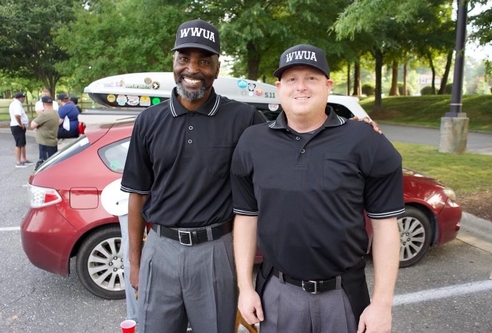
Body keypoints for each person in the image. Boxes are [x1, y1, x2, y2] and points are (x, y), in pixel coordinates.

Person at [231, 44, 405, 333]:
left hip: (343, 295)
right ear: (278, 87)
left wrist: (382, 305)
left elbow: (386, 226)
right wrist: (245, 288)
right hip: (277, 292)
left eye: (311, 78)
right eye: (291, 79)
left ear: (327, 86)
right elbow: (246, 218)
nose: (301, 87)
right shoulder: (252, 142)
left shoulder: (364, 141)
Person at [120, 19, 264, 333]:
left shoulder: (244, 119)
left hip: (216, 251)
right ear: (173, 62)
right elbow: (137, 194)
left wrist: (347, 128)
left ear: (217, 66)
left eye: (203, 60)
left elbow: (287, 143)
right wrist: (135, 264)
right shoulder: (148, 121)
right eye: (184, 59)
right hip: (160, 249)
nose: (192, 69)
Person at [100, 178, 138, 323]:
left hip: (129, 196)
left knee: (131, 258)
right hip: (127, 198)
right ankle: (135, 315)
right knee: (131, 259)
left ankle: (135, 316)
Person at [31, 96, 60, 169]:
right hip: (52, 140)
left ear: (43, 104)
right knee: (53, 161)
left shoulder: (45, 114)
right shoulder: (55, 113)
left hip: (45, 142)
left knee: (45, 163)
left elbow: (32, 125)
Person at [9, 92, 33, 168]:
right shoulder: (16, 105)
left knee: (22, 144)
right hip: (17, 126)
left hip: (18, 126)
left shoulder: (16, 104)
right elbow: (17, 115)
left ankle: (24, 159)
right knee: (19, 144)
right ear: (20, 98)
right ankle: (18, 162)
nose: (23, 99)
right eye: (23, 98)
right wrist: (20, 123)